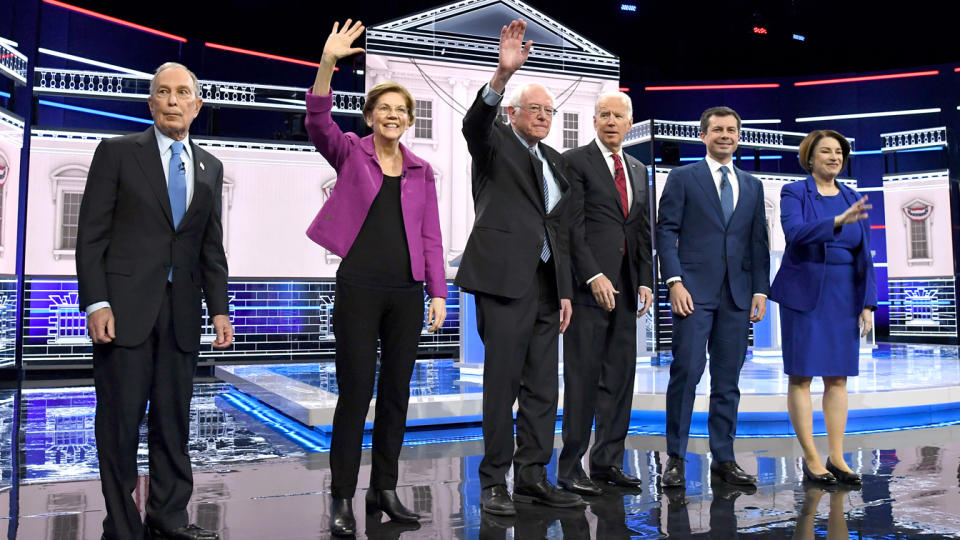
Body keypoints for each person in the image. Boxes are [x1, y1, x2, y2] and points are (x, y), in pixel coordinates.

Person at [76, 62, 233, 540]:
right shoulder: (118, 153)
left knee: (173, 419)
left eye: (182, 92)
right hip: (124, 311)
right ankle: (122, 524)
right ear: (151, 103)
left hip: (182, 312)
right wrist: (96, 302)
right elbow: (91, 236)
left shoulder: (210, 166)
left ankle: (168, 518)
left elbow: (210, 246)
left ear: (196, 105)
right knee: (120, 423)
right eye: (162, 92)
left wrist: (220, 308)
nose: (172, 101)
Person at [303, 20, 447, 537]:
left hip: (406, 293)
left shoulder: (421, 171)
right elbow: (318, 123)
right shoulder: (350, 153)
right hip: (359, 288)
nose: (392, 115)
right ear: (370, 117)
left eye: (400, 110)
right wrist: (328, 62)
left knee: (397, 394)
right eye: (383, 108)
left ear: (408, 120)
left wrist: (437, 293)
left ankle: (384, 490)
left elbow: (431, 235)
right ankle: (341, 495)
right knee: (356, 390)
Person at [456, 19, 581, 516]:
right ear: (513, 112)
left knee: (543, 388)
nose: (545, 117)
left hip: (548, 285)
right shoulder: (494, 144)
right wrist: (502, 75)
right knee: (501, 384)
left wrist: (567, 289)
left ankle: (533, 476)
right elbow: (473, 126)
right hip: (503, 281)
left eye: (550, 111)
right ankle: (493, 483)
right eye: (536, 109)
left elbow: (562, 231)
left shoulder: (555, 161)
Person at [655, 106, 770, 488]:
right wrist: (674, 281)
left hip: (737, 296)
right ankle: (675, 458)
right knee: (686, 373)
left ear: (739, 136)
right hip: (692, 292)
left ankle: (724, 458)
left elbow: (758, 242)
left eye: (732, 130)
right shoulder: (683, 177)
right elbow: (666, 231)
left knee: (727, 379)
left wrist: (759, 289)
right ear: (703, 135)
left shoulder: (752, 185)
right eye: (718, 129)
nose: (725, 135)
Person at [557, 91, 654, 496]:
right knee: (582, 379)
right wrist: (592, 274)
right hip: (588, 291)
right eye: (604, 115)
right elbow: (571, 227)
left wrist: (647, 279)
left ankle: (608, 461)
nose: (611, 121)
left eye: (618, 116)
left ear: (629, 123)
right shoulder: (574, 161)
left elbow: (642, 229)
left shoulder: (636, 167)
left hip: (628, 291)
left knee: (620, 379)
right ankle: (570, 467)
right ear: (594, 121)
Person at [770, 130, 875, 486]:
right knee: (802, 376)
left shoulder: (853, 196)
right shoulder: (794, 192)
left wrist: (868, 303)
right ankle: (811, 459)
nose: (833, 157)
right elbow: (794, 233)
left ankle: (837, 456)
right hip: (805, 292)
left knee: (838, 377)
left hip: (844, 295)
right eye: (826, 151)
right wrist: (836, 222)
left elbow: (865, 256)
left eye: (839, 152)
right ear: (810, 158)